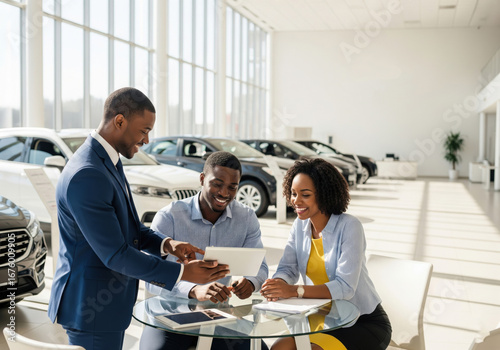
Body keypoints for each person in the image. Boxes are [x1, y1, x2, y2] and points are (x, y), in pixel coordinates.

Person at [48, 87, 229, 350]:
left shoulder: (107, 161)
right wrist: (182, 273)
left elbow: (130, 229)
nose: (146, 140)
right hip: (91, 308)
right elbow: (115, 254)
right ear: (119, 121)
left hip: (105, 307)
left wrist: (168, 245)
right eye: (144, 130)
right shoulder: (88, 173)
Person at [140, 151, 269, 350]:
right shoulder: (170, 216)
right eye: (217, 184)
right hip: (171, 314)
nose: (224, 193)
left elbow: (260, 266)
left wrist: (250, 283)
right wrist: (193, 290)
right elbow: (153, 277)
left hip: (221, 317)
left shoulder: (246, 218)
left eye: (232, 187)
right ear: (202, 179)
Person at [260, 158, 392, 350]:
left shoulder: (350, 226)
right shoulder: (299, 225)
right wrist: (277, 284)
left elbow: (345, 287)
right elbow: (288, 268)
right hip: (323, 318)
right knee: (279, 348)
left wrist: (294, 290)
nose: (296, 201)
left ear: (324, 194)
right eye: (293, 193)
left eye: (305, 194)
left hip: (363, 323)